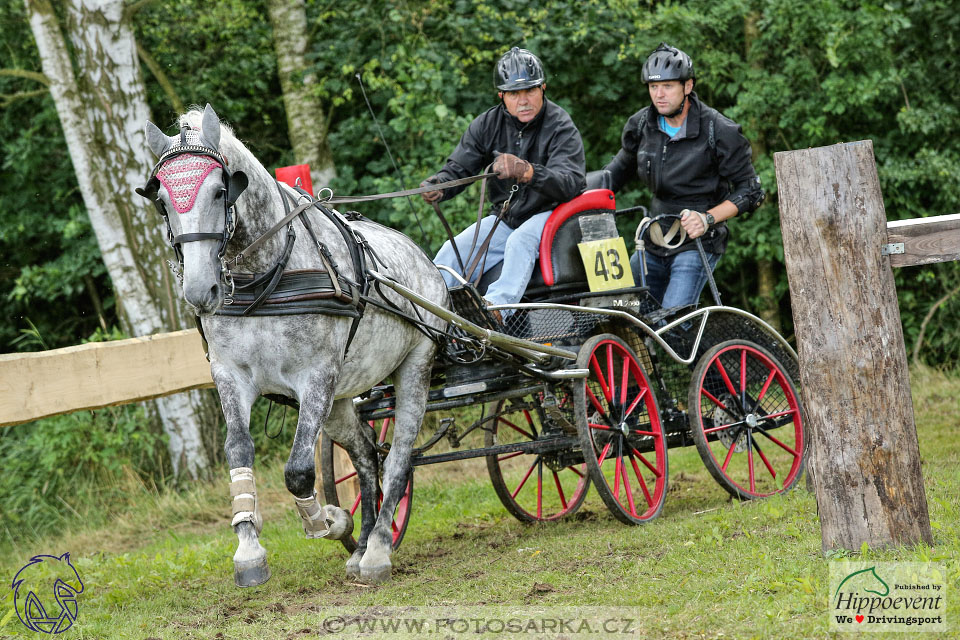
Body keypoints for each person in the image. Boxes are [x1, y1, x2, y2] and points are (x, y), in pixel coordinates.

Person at [599, 42, 765, 310]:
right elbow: (612, 176)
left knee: (673, 320)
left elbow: (752, 191)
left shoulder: (718, 129)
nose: (659, 95)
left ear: (688, 86)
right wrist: (577, 195)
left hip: (697, 243)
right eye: (653, 87)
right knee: (621, 311)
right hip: (652, 241)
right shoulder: (642, 125)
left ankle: (702, 352)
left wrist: (707, 218)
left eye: (668, 86)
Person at [421, 47, 586, 316]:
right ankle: (429, 312)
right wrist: (440, 185)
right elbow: (460, 167)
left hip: (554, 215)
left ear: (543, 88)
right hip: (508, 218)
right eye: (513, 93)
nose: (523, 100)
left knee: (520, 241)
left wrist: (528, 171)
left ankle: (496, 310)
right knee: (456, 249)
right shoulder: (487, 124)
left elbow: (570, 183)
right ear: (501, 95)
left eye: (530, 91)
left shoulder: (560, 125)